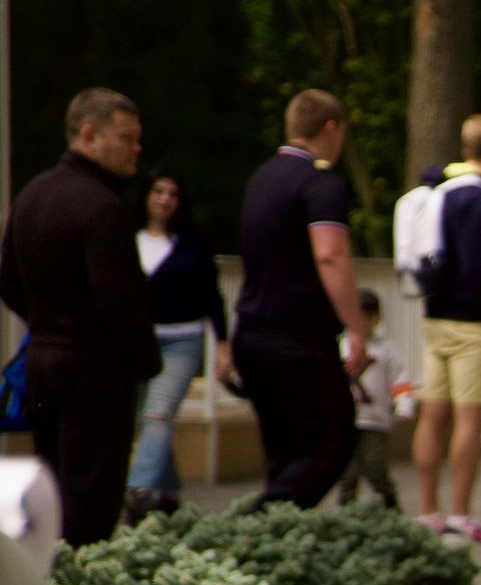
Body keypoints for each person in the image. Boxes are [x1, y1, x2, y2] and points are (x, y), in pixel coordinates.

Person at [0, 88, 158, 547]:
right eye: (127, 137)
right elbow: (120, 301)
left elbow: (7, 278)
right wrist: (145, 360)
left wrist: (46, 324)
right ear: (88, 135)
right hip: (95, 373)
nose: (136, 148)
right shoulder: (102, 207)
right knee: (91, 501)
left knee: (50, 491)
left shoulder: (33, 194)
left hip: (44, 366)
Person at [229, 89, 363, 514]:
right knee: (334, 441)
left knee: (285, 452)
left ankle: (274, 550)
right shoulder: (321, 183)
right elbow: (330, 253)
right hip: (298, 339)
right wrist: (357, 328)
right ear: (331, 128)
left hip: (251, 334)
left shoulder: (261, 178)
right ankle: (258, 520)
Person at [410, 113, 481, 545]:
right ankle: (460, 514)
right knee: (468, 419)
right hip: (472, 323)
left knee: (432, 415)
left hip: (435, 316)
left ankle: (426, 511)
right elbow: (476, 265)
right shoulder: (477, 196)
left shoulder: (441, 189)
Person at [124, 170, 226, 520]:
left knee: (158, 412)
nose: (165, 199)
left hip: (182, 341)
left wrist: (223, 344)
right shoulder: (126, 238)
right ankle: (168, 493)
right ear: (146, 196)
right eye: (158, 191)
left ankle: (139, 491)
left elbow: (212, 296)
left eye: (173, 194)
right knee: (146, 417)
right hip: (138, 340)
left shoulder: (193, 244)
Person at [335, 289, 414, 507]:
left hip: (375, 421)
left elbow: (400, 380)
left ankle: (390, 505)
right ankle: (346, 516)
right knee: (347, 473)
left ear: (377, 318)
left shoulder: (386, 350)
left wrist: (404, 405)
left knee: (375, 467)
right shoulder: (340, 346)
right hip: (345, 421)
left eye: (368, 316)